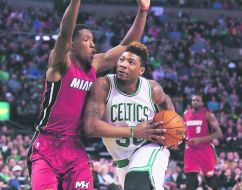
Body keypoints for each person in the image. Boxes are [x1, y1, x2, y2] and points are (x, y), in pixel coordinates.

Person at [26, 0, 156, 189]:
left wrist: (143, 10)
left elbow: (127, 45)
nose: (92, 44)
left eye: (93, 39)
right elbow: (64, 33)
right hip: (47, 145)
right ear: (72, 44)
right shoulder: (60, 65)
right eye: (87, 40)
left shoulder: (94, 65)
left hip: (74, 147)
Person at [83, 41, 175, 190]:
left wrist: (175, 131)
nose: (123, 64)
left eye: (131, 62)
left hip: (149, 147)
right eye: (121, 59)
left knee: (136, 184)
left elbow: (166, 101)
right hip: (123, 161)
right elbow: (91, 127)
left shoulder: (152, 88)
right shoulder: (103, 85)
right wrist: (134, 131)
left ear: (141, 70)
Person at [183, 95, 223, 190]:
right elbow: (184, 130)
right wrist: (179, 140)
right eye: (193, 100)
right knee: (190, 182)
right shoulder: (186, 114)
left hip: (205, 150)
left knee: (210, 180)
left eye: (198, 100)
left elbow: (219, 133)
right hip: (190, 150)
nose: (195, 102)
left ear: (202, 103)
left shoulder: (208, 114)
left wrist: (199, 139)